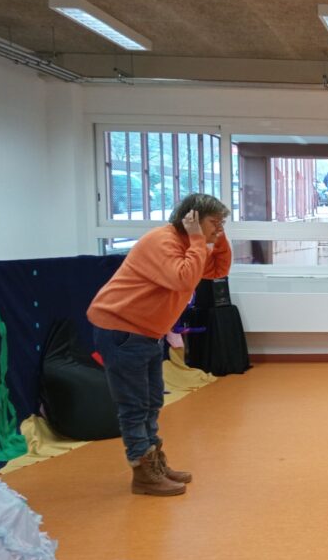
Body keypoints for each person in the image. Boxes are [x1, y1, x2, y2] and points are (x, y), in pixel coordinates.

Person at [87, 193, 231, 496]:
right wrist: (198, 239)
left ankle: (154, 461)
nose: (220, 227)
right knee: (134, 406)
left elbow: (217, 270)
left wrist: (215, 239)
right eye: (214, 222)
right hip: (122, 329)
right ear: (191, 219)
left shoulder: (188, 245)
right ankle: (143, 472)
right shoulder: (162, 241)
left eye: (222, 223)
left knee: (152, 401)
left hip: (147, 332)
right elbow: (184, 280)